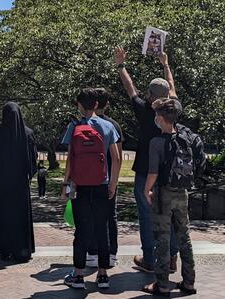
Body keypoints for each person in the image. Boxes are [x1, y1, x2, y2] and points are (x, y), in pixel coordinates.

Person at [114, 47, 179, 273]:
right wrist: (165, 64)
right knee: (169, 216)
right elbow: (172, 89)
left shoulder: (145, 110)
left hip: (145, 171)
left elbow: (130, 88)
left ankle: (150, 259)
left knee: (145, 215)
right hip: (169, 171)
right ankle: (172, 258)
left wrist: (121, 65)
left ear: (151, 95)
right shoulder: (173, 110)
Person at [61, 88, 120, 290]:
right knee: (102, 229)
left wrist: (66, 184)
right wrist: (113, 183)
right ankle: (103, 276)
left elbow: (70, 159)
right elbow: (117, 158)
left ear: (79, 105)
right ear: (96, 105)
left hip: (80, 186)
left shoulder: (74, 126)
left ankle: (78, 276)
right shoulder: (108, 126)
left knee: (81, 230)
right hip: (102, 184)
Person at [142, 98, 202, 296]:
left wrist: (146, 190)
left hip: (163, 194)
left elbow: (153, 173)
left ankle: (162, 284)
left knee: (162, 239)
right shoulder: (185, 137)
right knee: (184, 238)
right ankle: (189, 282)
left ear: (159, 118)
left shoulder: (156, 142)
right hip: (182, 193)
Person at [0, 102, 36, 262]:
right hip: (20, 184)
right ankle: (21, 249)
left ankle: (3, 249)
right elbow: (32, 162)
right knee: (20, 216)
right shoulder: (27, 134)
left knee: (2, 216)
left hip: (1, 184)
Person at [86, 88, 124, 268]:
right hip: (109, 177)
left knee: (91, 216)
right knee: (111, 216)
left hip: (90, 177)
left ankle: (92, 253)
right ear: (107, 104)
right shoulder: (113, 126)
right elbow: (118, 157)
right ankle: (111, 253)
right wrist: (114, 183)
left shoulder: (87, 123)